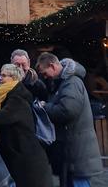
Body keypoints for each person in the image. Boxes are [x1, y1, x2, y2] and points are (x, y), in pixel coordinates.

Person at [36, 53, 103, 187]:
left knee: (79, 182)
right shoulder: (65, 82)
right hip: (74, 148)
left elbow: (67, 111)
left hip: (77, 149)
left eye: (44, 73)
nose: (45, 77)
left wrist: (45, 107)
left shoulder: (71, 82)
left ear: (52, 66)